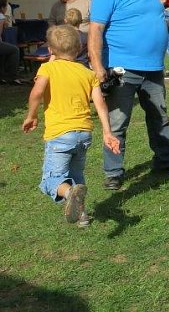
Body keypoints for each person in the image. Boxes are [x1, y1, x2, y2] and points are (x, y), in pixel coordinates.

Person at [89, 0, 169, 191]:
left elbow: (151, 18)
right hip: (122, 69)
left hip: (153, 67)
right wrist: (99, 68)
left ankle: (164, 162)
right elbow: (95, 31)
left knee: (159, 116)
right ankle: (113, 172)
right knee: (118, 122)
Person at [21, 25, 120, 227]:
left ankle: (68, 193)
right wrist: (108, 133)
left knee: (51, 180)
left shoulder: (47, 68)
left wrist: (32, 115)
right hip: (84, 134)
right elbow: (100, 103)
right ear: (79, 49)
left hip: (60, 135)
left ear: (50, 50)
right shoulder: (87, 73)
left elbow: (37, 92)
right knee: (76, 177)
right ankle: (82, 216)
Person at [0, 0, 23, 85]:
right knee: (14, 50)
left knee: (3, 53)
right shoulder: (1, 16)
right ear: (2, 8)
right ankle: (12, 77)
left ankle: (2, 77)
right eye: (6, 7)